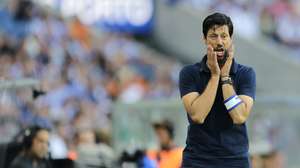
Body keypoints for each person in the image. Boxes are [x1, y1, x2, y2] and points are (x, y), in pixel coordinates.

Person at [179, 12, 256, 167]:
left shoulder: (245, 74)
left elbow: (240, 116)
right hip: (197, 160)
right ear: (204, 39)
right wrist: (215, 76)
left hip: (235, 160)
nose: (219, 42)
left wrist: (225, 77)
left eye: (224, 36)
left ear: (230, 39)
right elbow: (198, 115)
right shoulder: (189, 73)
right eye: (213, 36)